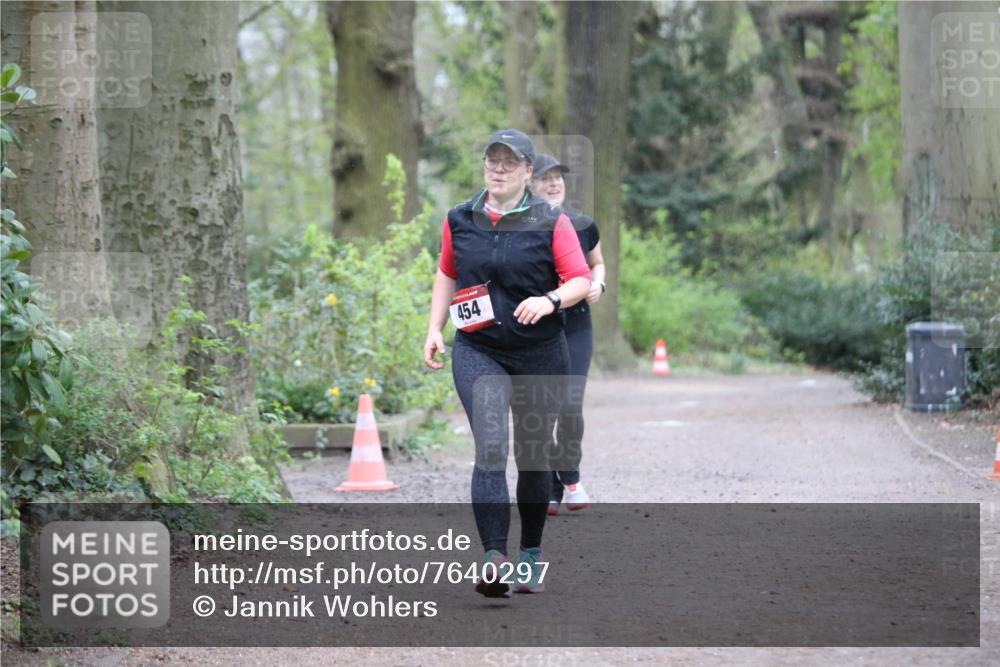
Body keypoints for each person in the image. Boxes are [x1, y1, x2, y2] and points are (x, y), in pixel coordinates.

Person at [423, 130, 591, 597]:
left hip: (540, 353)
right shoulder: (460, 218)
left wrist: (550, 299)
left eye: (508, 162)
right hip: (479, 348)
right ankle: (494, 557)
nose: (497, 169)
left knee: (533, 458)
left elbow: (579, 279)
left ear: (526, 172)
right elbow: (447, 272)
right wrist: (435, 328)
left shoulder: (551, 221)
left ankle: (531, 555)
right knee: (491, 448)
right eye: (491, 160)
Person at [530, 154, 605, 516]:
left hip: (575, 325)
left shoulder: (582, 223)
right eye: (545, 178)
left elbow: (597, 263)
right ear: (529, 183)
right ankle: (549, 486)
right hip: (536, 330)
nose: (554, 183)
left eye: (558, 177)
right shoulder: (517, 228)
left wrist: (599, 284)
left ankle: (571, 477)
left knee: (570, 404)